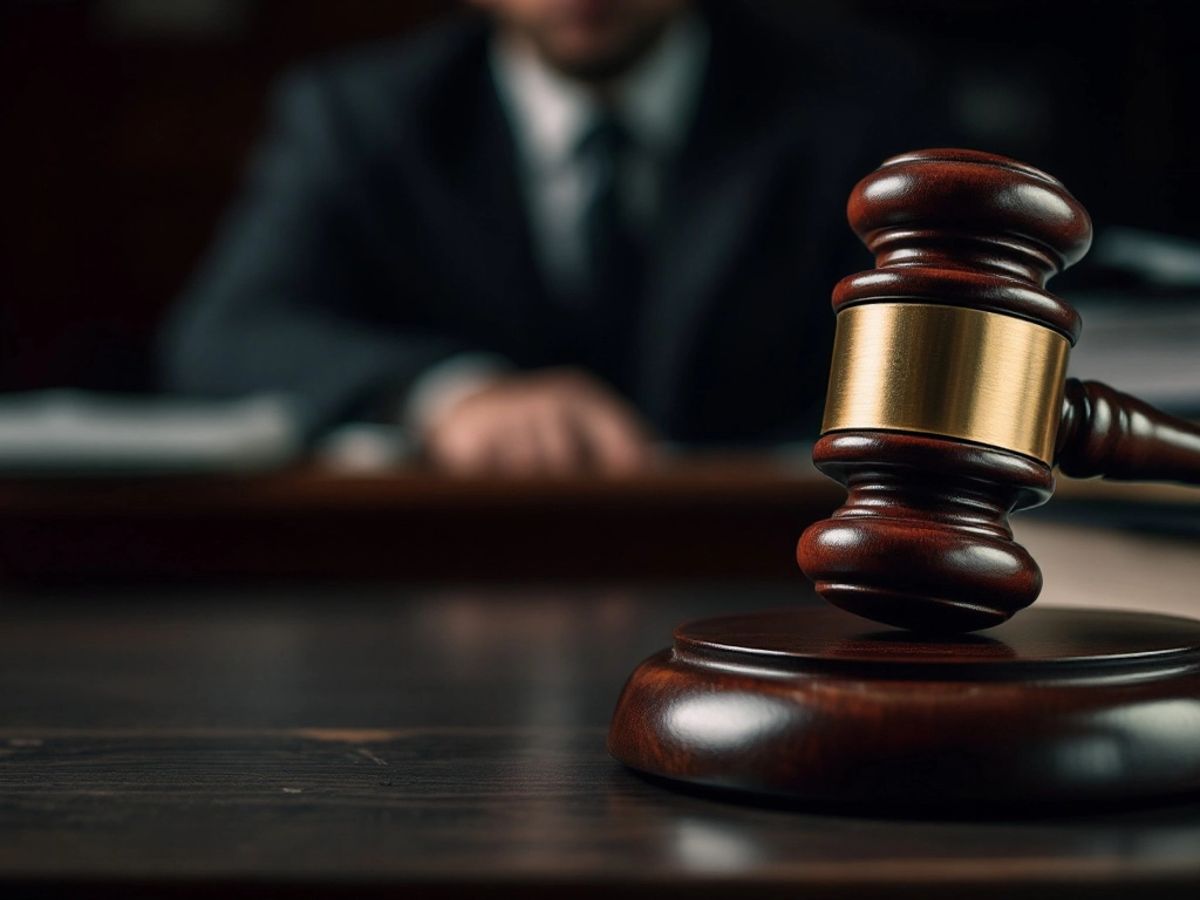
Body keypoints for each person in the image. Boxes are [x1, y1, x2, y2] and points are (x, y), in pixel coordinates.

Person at [161, 0, 939, 475]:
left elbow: (924, 358)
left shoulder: (857, 102)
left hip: (772, 582)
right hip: (459, 596)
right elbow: (224, 333)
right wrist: (451, 394)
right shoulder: (359, 115)